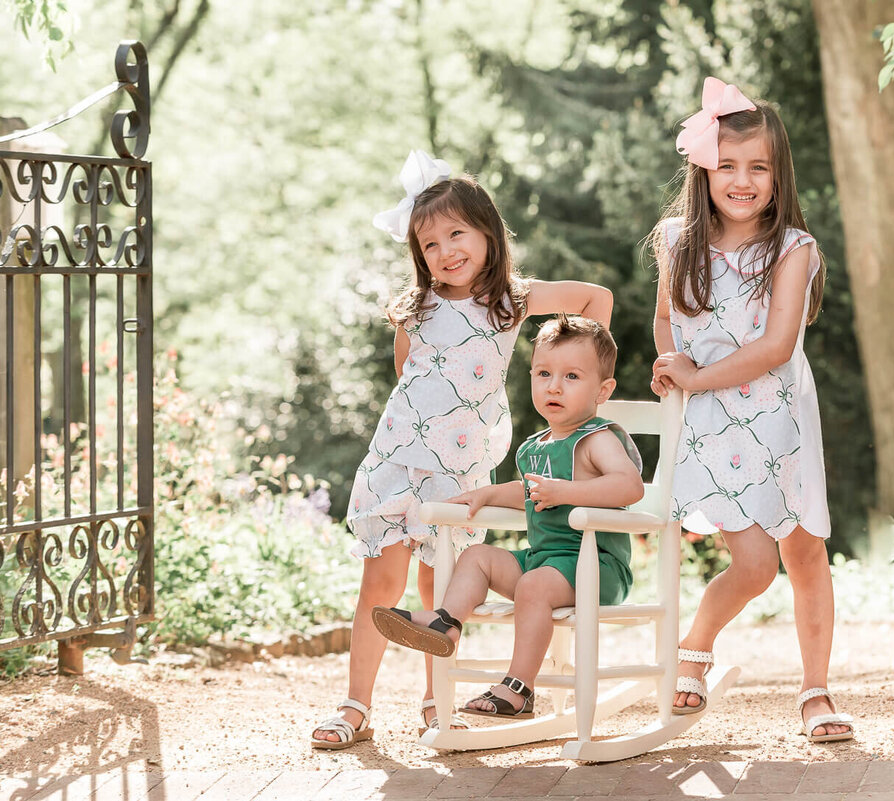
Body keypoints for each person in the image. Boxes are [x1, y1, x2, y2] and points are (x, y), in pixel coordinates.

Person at [311, 152, 614, 749]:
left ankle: (436, 700)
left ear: (487, 233)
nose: (446, 251)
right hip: (399, 457)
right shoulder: (416, 308)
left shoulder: (512, 300)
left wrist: (580, 381)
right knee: (381, 583)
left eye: (457, 233)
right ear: (418, 256)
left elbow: (595, 298)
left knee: (438, 587)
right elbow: (408, 374)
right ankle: (355, 705)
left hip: (459, 465)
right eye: (429, 244)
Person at [649, 78, 854, 742]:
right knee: (754, 562)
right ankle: (696, 645)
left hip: (776, 416)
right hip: (707, 422)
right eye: (727, 165)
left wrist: (698, 373)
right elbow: (665, 321)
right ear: (703, 169)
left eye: (758, 166)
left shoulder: (792, 249)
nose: (743, 180)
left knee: (802, 551)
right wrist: (671, 365)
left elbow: (773, 346)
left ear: (777, 173)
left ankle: (816, 690)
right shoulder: (676, 241)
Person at [371, 316, 643, 719]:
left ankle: (518, 687)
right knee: (476, 557)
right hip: (545, 563)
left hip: (596, 565)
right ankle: (445, 622)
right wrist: (486, 494)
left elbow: (629, 487)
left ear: (602, 390)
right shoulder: (534, 447)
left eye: (571, 376)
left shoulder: (596, 438)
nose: (554, 386)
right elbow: (528, 493)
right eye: (544, 373)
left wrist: (568, 493)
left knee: (533, 585)